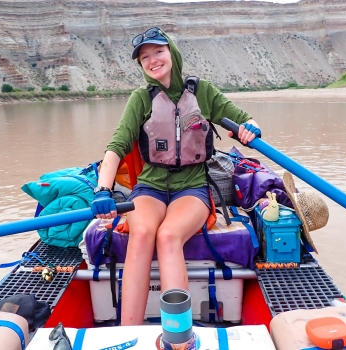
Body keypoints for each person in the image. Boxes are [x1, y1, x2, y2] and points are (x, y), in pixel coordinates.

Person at [91, 27, 261, 326]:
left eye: (158, 51)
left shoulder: (202, 91)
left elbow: (244, 119)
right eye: (144, 57)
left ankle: (178, 336)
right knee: (141, 235)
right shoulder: (141, 98)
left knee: (168, 236)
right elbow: (116, 147)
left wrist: (249, 128)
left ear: (171, 52)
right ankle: (127, 331)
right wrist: (103, 191)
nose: (152, 60)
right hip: (150, 187)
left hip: (192, 187)